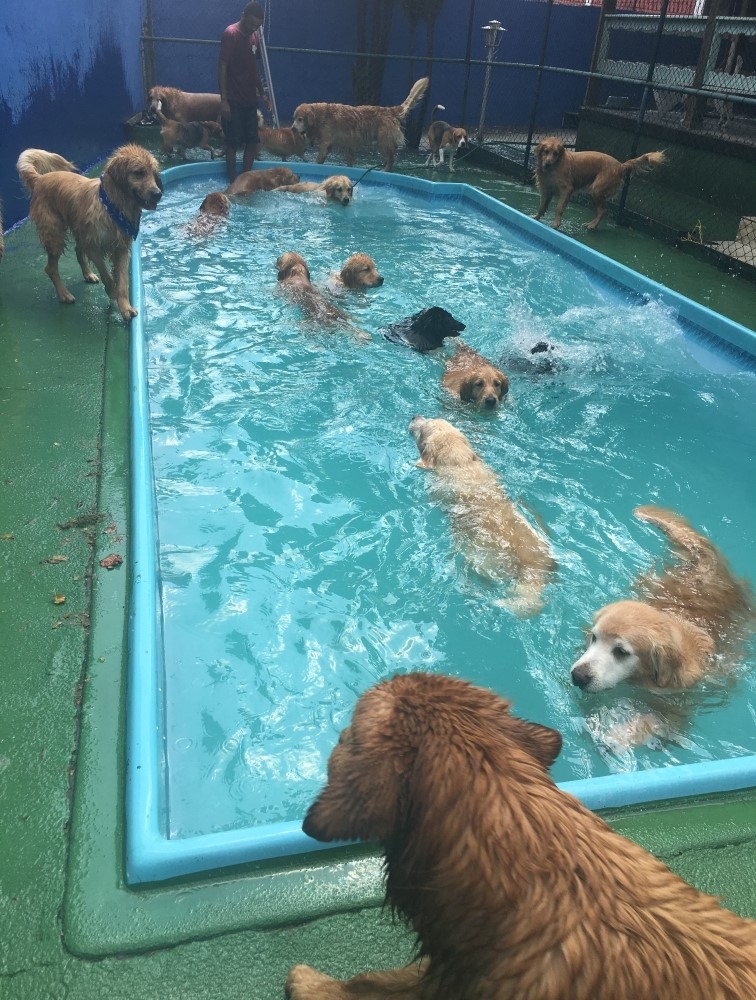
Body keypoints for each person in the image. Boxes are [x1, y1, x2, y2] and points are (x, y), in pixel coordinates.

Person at [218, 2, 272, 182]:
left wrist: (262, 92)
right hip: (233, 98)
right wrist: (224, 100)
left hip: (250, 98)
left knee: (252, 141)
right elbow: (222, 66)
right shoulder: (230, 34)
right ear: (243, 16)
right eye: (250, 24)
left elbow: (253, 67)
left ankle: (244, 179)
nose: (252, 28)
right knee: (232, 141)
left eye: (256, 26)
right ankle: (233, 181)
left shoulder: (254, 36)